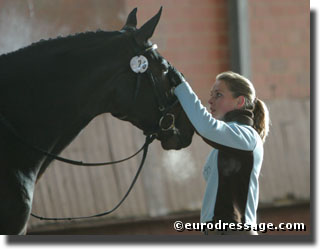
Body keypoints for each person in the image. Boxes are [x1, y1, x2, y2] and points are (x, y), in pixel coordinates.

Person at [168, 68, 270, 235]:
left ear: (240, 102)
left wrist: (181, 86)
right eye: (211, 95)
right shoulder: (230, 140)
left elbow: (207, 127)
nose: (210, 101)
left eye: (218, 95)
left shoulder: (246, 136)